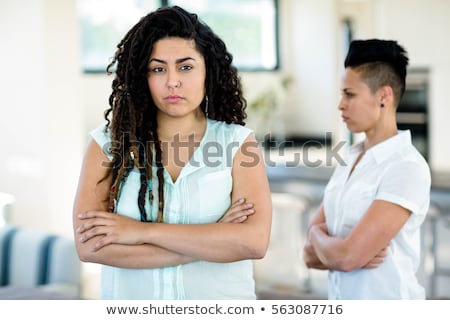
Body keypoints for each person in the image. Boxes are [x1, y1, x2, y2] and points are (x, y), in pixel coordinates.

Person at [72, 5, 272, 300]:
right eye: (158, 68)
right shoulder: (106, 144)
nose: (172, 81)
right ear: (143, 76)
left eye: (186, 66)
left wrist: (139, 232)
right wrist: (212, 239)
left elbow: (253, 242)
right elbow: (89, 246)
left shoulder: (238, 143)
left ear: (208, 71)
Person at [303, 39, 431, 299]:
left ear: (383, 96)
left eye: (350, 94)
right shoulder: (349, 159)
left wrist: (319, 236)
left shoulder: (406, 166)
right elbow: (308, 256)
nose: (341, 104)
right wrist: (332, 247)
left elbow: (347, 257)